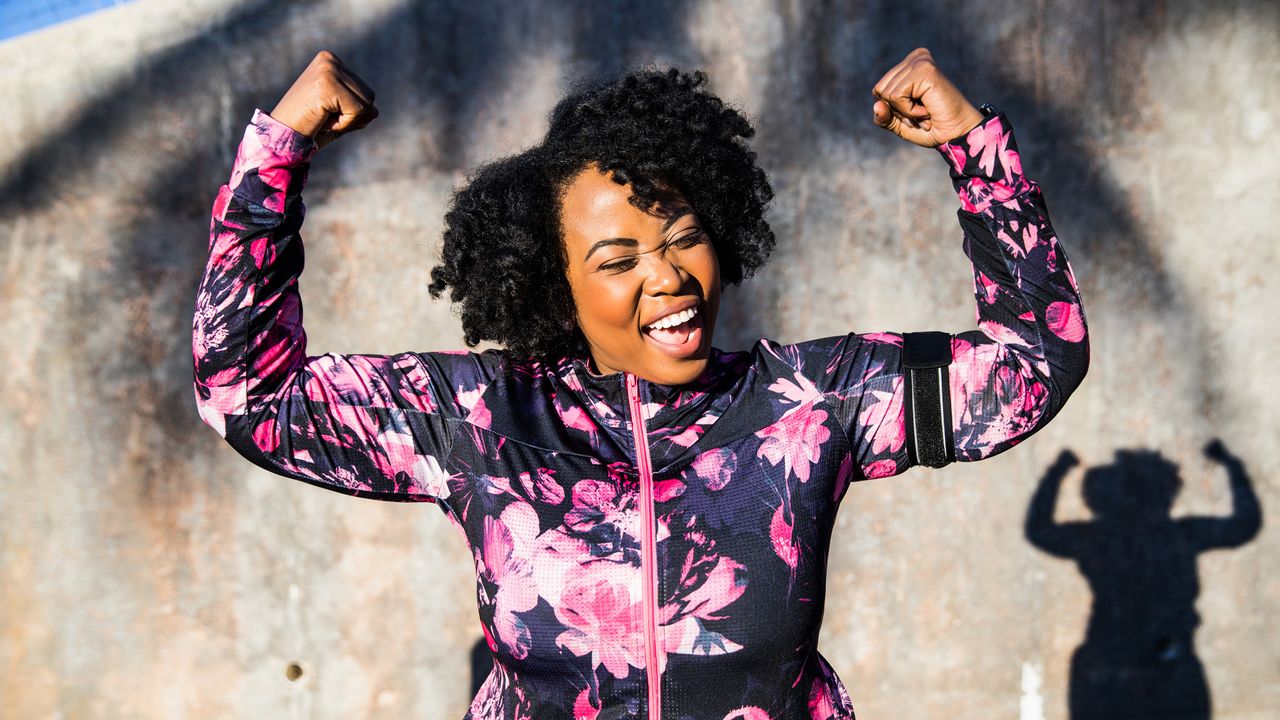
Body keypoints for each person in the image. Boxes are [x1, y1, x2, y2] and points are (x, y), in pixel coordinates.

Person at [192, 48, 1089, 720]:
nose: (668, 278)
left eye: (683, 237)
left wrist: (976, 152)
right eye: (617, 259)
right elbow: (247, 392)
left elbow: (1031, 359)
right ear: (556, 282)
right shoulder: (478, 417)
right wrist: (279, 153)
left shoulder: (806, 404)